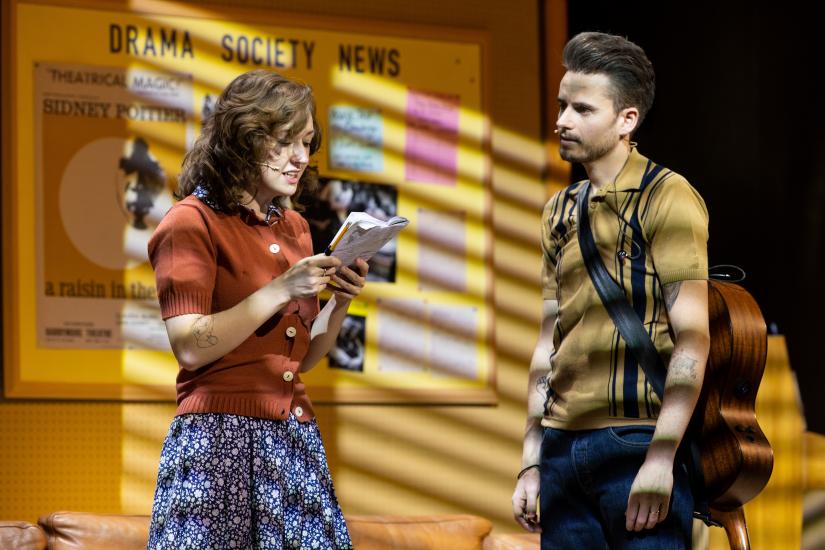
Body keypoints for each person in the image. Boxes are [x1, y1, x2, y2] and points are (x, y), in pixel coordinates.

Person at [146, 69, 367, 549]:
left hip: (292, 437)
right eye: (286, 141)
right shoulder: (191, 222)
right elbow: (188, 345)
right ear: (243, 139)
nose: (301, 158)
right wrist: (282, 289)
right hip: (218, 441)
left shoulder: (295, 229)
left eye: (307, 143)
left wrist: (341, 301)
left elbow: (301, 359)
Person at [511, 32, 710, 549]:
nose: (562, 120)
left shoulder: (668, 196)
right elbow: (545, 344)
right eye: (561, 106)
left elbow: (693, 337)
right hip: (559, 446)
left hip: (636, 440)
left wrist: (663, 456)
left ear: (627, 120)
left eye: (582, 108)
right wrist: (531, 459)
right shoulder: (558, 209)